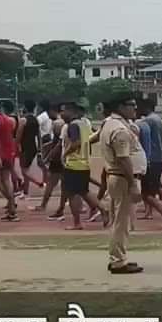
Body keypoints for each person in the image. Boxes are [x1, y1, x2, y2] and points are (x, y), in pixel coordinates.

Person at [98, 95, 144, 274]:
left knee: (120, 220)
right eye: (131, 105)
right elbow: (123, 158)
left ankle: (118, 257)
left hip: (117, 177)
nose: (135, 108)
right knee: (121, 222)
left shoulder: (111, 124)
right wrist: (133, 184)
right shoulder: (119, 129)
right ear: (120, 107)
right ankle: (118, 261)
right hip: (123, 178)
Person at [61, 101, 106, 230]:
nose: (62, 114)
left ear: (72, 112)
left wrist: (65, 154)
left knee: (72, 193)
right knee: (84, 191)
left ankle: (77, 222)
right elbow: (92, 139)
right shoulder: (84, 124)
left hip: (74, 163)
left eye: (64, 111)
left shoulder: (73, 126)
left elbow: (76, 143)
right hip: (84, 162)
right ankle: (103, 209)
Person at [136, 97, 162, 227]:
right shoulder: (159, 120)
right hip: (159, 157)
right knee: (155, 187)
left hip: (150, 159)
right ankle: (154, 210)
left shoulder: (147, 121)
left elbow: (143, 142)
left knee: (147, 192)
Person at [0, 100, 21, 220]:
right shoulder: (8, 120)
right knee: (6, 180)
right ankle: (11, 206)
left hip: (0, 152)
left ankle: (11, 203)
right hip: (9, 151)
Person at [16, 100, 44, 196]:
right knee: (26, 169)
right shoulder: (36, 120)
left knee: (24, 170)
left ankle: (38, 183)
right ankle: (25, 192)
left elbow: (18, 135)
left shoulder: (23, 120)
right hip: (33, 147)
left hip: (24, 147)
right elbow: (39, 136)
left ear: (25, 107)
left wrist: (16, 146)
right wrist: (40, 149)